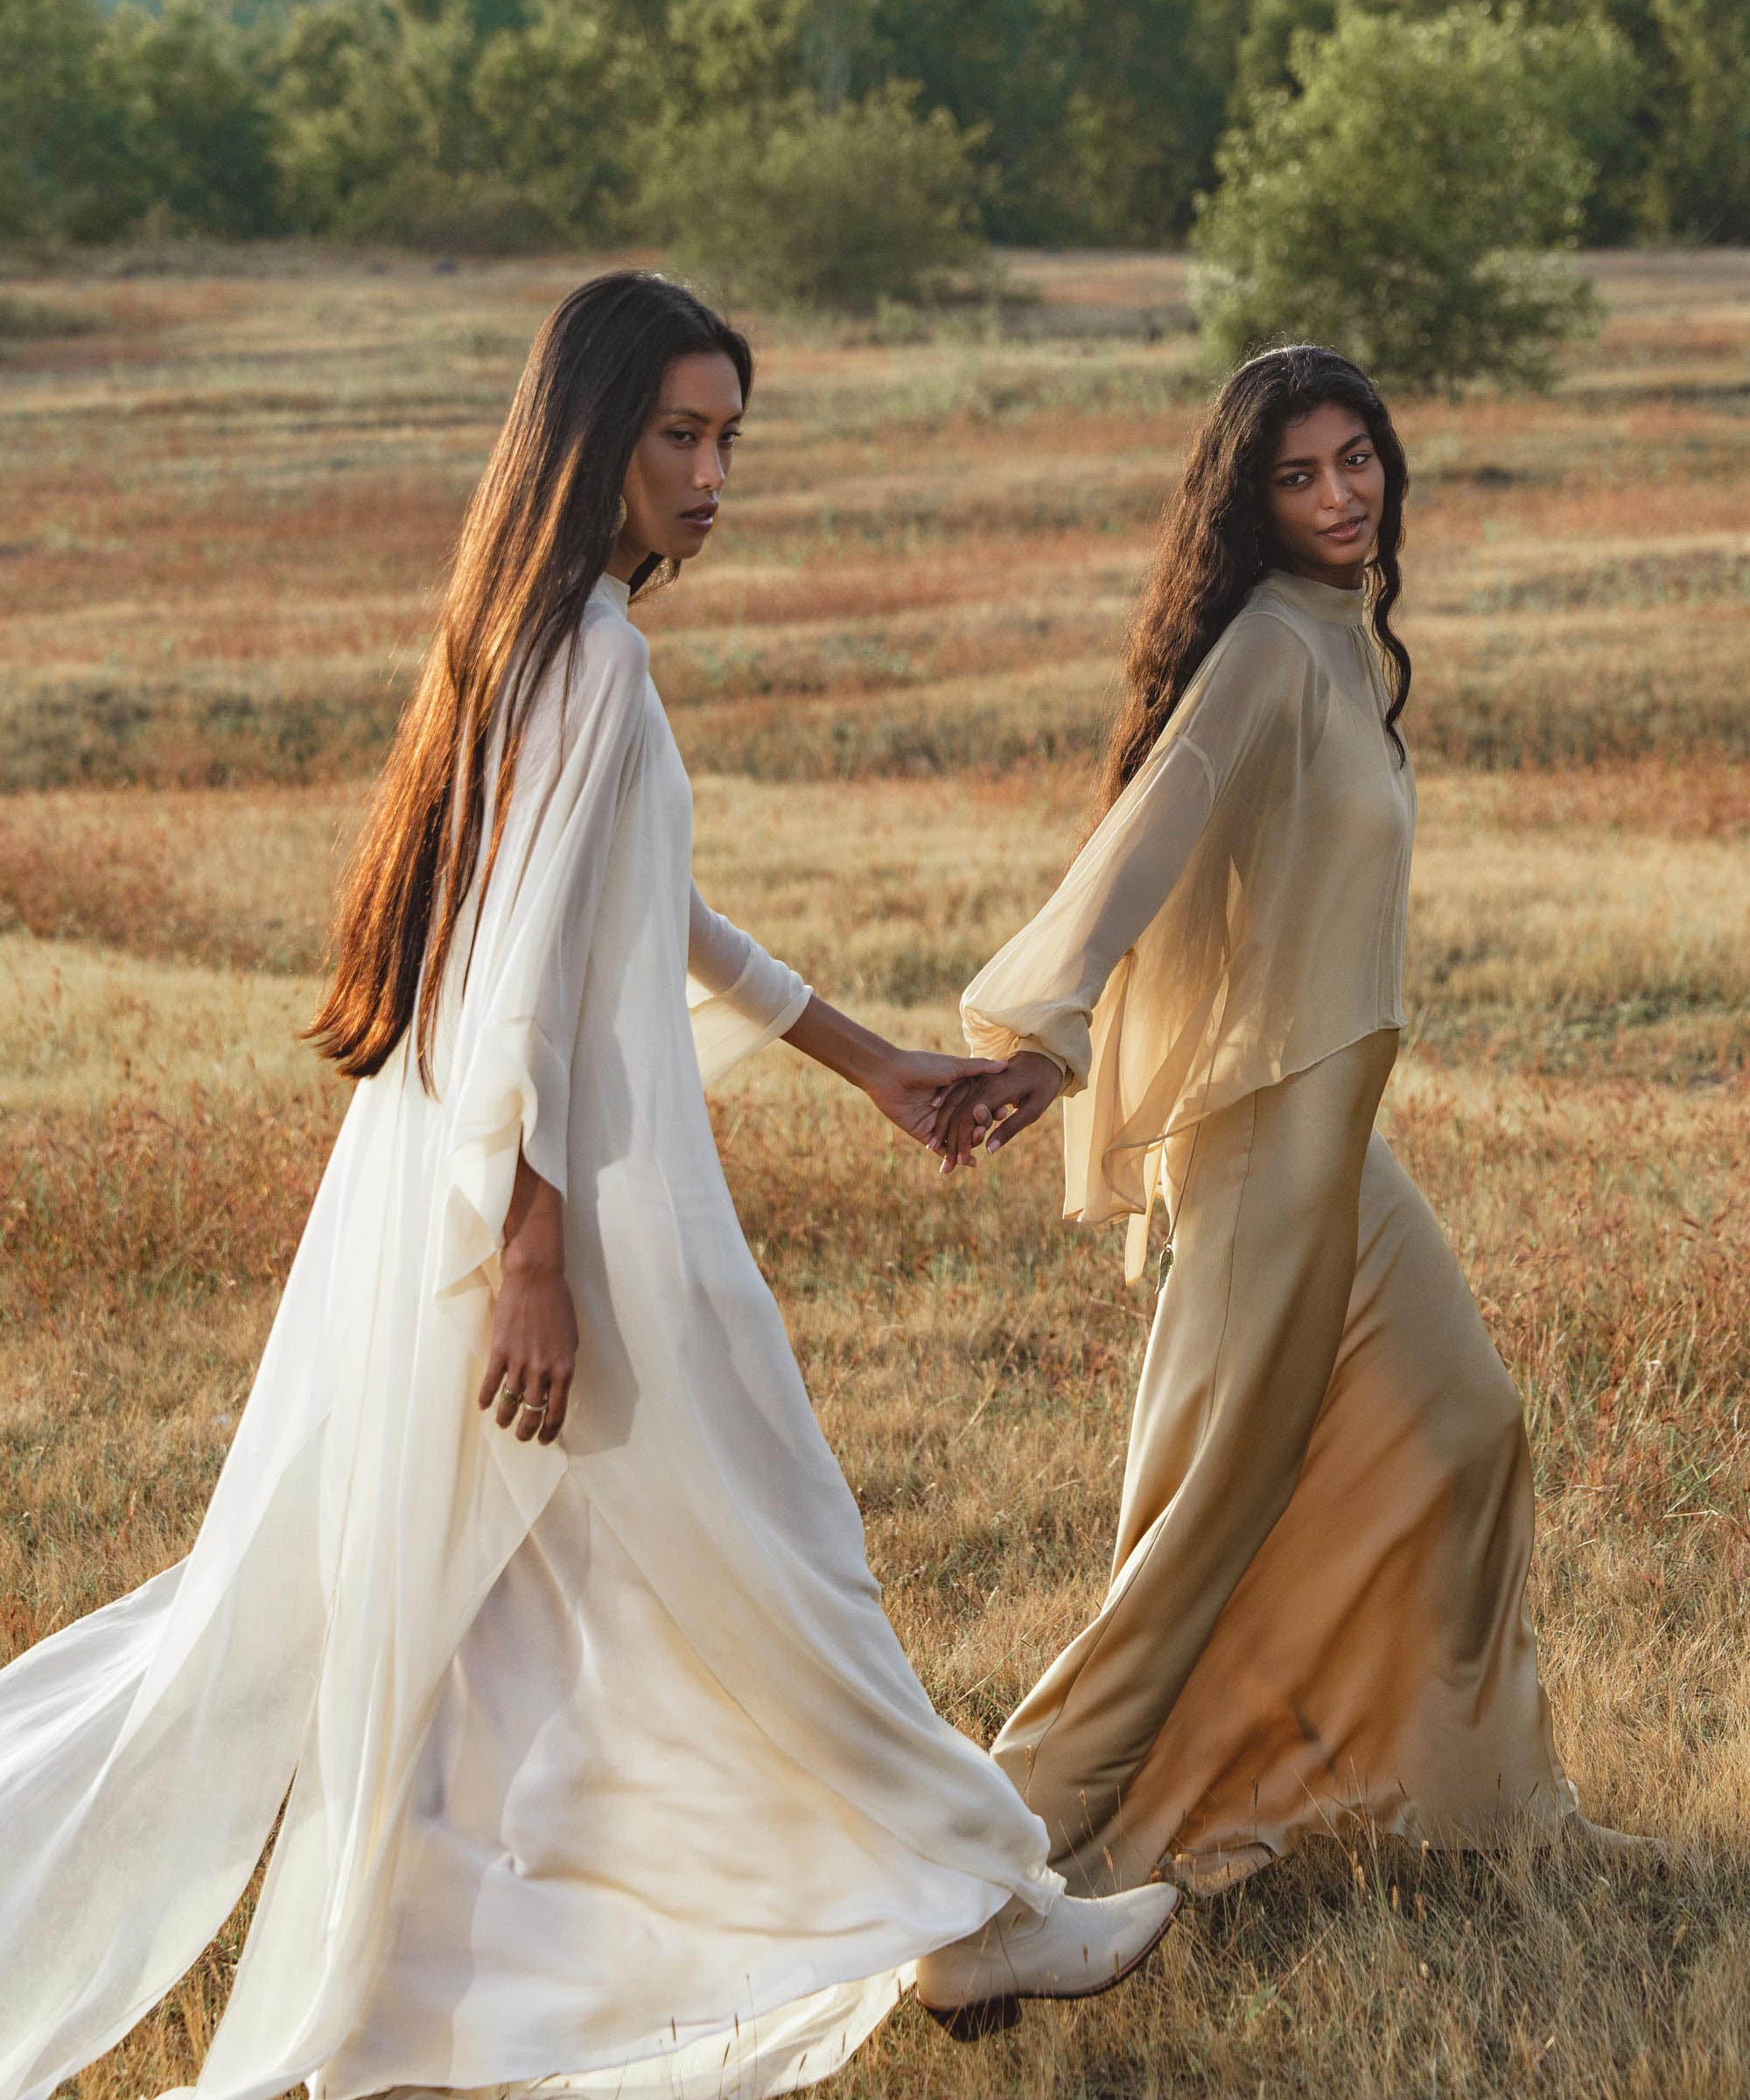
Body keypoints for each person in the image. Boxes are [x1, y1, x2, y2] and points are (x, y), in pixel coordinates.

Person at [0, 272, 1178, 2100]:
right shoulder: (581, 655)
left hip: (539, 1200)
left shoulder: (538, 639)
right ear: (590, 440)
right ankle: (974, 1919)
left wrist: (866, 1061)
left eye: (730, 440)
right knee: (777, 1552)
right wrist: (531, 1253)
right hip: (584, 1222)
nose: (715, 475)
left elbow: (648, 909)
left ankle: (404, 2015)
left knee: (473, 1619)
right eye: (680, 436)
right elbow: (516, 976)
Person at [928, 345, 1599, 1900]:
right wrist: (1048, 1032)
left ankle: (1478, 1803)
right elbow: (1148, 835)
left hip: (1338, 1140)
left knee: (1467, 1429)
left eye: (1355, 458)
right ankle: (984, 1857)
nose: (1339, 494)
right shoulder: (1264, 652)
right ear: (1248, 499)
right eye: (1298, 475)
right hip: (1261, 1147)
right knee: (1203, 1525)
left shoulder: (1344, 639)